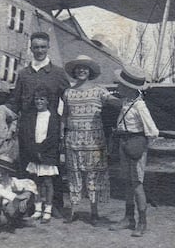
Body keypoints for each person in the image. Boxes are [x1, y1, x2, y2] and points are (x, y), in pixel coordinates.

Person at [8, 31, 70, 218]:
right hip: (27, 128)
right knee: (28, 167)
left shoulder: (58, 73)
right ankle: (28, 205)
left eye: (43, 47)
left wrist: (64, 124)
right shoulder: (23, 74)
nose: (39, 50)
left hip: (48, 128)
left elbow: (69, 99)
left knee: (50, 167)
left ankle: (55, 205)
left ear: (48, 47)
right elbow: (15, 101)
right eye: (36, 47)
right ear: (31, 48)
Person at [62, 55, 119, 225]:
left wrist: (128, 97)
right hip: (73, 139)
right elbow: (64, 115)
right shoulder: (68, 92)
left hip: (94, 141)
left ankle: (94, 213)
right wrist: (61, 135)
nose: (81, 70)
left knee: (93, 176)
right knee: (74, 175)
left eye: (85, 68)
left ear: (90, 71)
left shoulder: (99, 90)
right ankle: (73, 211)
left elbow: (114, 102)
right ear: (74, 71)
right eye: (78, 68)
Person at [109, 64, 159, 237]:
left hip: (135, 146)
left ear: (130, 88)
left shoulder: (140, 106)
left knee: (137, 184)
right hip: (124, 143)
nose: (118, 87)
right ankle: (128, 218)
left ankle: (142, 222)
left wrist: (141, 148)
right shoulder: (126, 102)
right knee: (127, 182)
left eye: (120, 85)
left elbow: (152, 131)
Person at [25, 85, 60, 224]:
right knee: (36, 181)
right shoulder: (31, 116)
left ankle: (48, 210)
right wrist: (34, 150)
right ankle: (37, 208)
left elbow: (53, 136)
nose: (39, 101)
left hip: (47, 152)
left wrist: (41, 150)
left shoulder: (52, 116)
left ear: (47, 101)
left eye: (42, 99)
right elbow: (28, 135)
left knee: (47, 181)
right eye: (36, 99)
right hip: (34, 152)